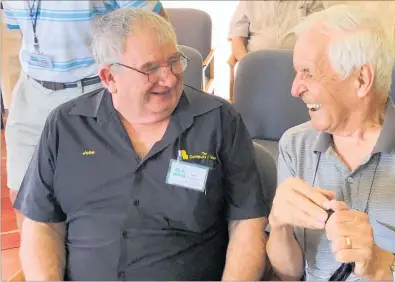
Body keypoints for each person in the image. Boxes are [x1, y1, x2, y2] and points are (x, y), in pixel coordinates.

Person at [14, 8, 268, 281]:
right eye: (150, 69)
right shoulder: (66, 125)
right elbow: (43, 226)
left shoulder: (218, 121)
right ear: (109, 78)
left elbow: (247, 224)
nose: (169, 78)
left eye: (174, 61)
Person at [266, 4, 395, 281]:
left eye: (308, 73)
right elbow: (289, 274)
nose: (294, 88)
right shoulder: (294, 145)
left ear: (361, 79)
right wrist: (278, 225)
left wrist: (380, 263)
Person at [2, 0, 168, 231]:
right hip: (32, 90)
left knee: (101, 199)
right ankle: (40, 265)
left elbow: (157, 27)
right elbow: (21, 37)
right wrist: (12, 102)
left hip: (96, 90)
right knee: (23, 194)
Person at [227, 1, 324, 65]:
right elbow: (237, 39)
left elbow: (317, 34)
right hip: (257, 65)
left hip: (298, 66)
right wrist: (249, 65)